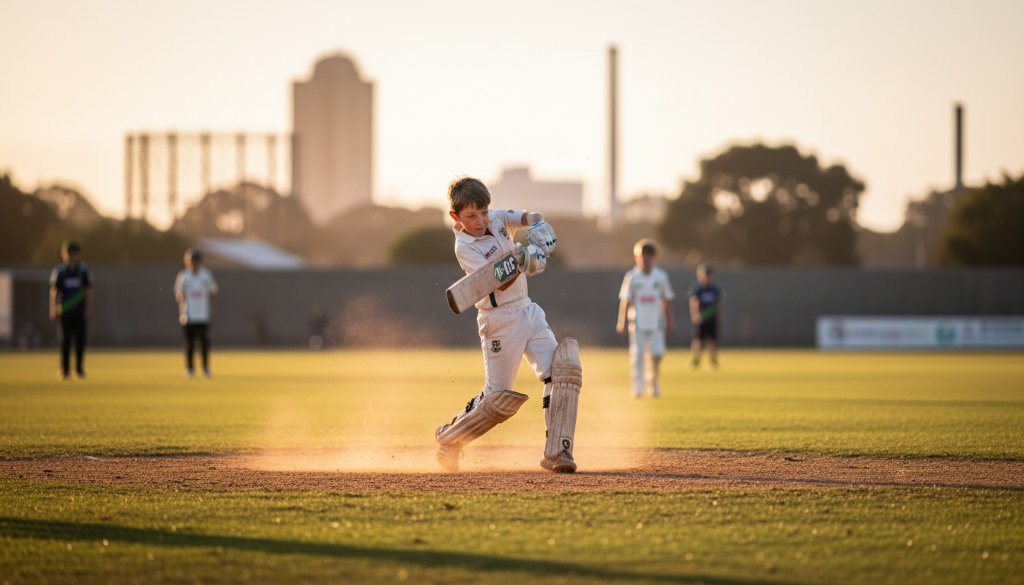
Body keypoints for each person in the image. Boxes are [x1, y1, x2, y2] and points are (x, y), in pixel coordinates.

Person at [433, 177, 582, 473]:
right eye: (471, 216)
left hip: (528, 310)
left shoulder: (498, 218)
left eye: (484, 212)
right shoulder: (465, 247)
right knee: (498, 399)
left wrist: (538, 223)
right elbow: (499, 281)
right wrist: (526, 258)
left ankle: (558, 453)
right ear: (456, 217)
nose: (480, 221)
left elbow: (526, 216)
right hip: (498, 321)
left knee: (563, 372)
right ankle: (450, 439)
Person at [616, 239, 675, 398]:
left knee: (657, 354)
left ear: (654, 257)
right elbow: (625, 300)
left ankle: (653, 383)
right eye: (642, 255)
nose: (646, 259)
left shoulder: (661, 276)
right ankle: (638, 388)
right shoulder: (632, 276)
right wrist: (621, 321)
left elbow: (666, 299)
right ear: (637, 257)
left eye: (649, 255)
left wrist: (670, 319)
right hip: (638, 323)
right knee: (637, 356)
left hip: (656, 323)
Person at [49, 240, 93, 380]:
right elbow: (54, 291)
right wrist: (53, 309)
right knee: (65, 342)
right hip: (65, 311)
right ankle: (65, 370)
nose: (71, 257)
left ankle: (79, 369)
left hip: (79, 312)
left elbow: (88, 291)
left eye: (74, 254)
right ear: (63, 254)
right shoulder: (60, 271)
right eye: (69, 254)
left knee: (80, 341)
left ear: (78, 255)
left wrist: (88, 309)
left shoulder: (83, 270)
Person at [174, 247, 218, 378]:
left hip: (203, 315)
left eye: (196, 261)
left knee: (204, 343)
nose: (194, 264)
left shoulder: (206, 275)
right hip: (188, 315)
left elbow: (213, 291)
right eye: (192, 261)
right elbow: (178, 293)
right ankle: (190, 369)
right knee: (190, 344)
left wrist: (211, 309)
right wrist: (182, 302)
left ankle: (205, 368)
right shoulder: (183, 276)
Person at [688, 263, 724, 369]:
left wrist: (719, 316)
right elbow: (693, 302)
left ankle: (713, 361)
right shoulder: (697, 288)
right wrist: (695, 315)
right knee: (697, 340)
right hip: (701, 318)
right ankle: (696, 360)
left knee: (712, 341)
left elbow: (719, 303)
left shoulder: (714, 288)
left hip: (711, 318)